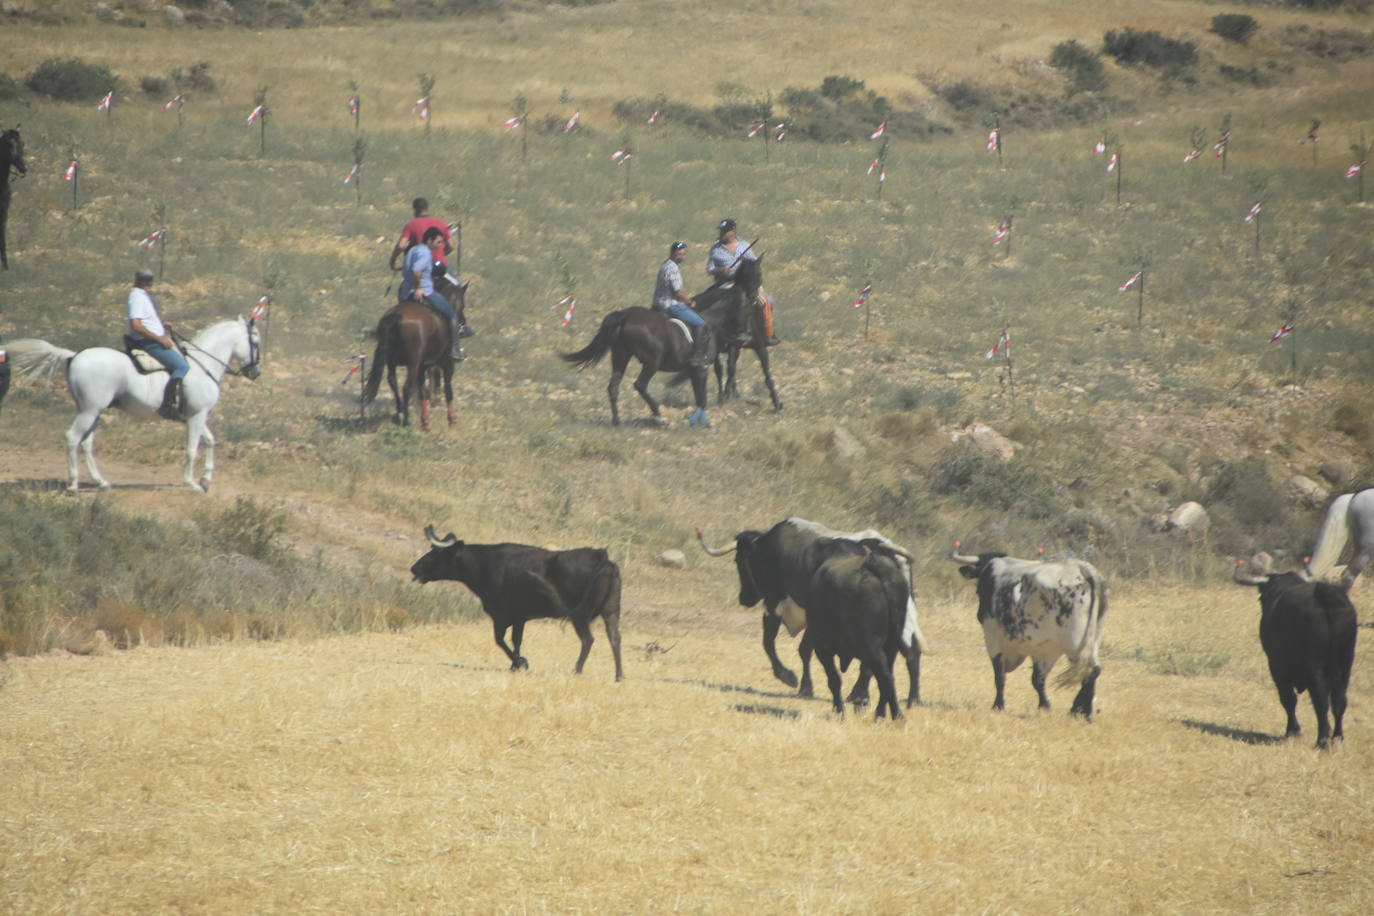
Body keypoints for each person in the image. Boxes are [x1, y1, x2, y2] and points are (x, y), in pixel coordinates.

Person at [124, 268, 189, 419]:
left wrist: (161, 325)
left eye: (150, 281)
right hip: (148, 343)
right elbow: (137, 325)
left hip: (152, 338)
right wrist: (159, 338)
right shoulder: (137, 297)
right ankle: (167, 406)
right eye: (146, 281)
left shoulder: (141, 295)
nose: (149, 284)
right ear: (138, 281)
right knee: (182, 366)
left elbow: (146, 320)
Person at [706, 218, 778, 345]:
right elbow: (710, 269)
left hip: (745, 284)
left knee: (767, 301)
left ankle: (767, 333)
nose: (722, 233)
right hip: (725, 283)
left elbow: (754, 263)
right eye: (721, 231)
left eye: (725, 231)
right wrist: (721, 271)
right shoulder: (715, 249)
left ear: (732, 231)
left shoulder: (744, 246)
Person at [399, 227, 463, 360]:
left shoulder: (412, 251)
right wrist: (418, 288)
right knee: (451, 313)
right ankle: (454, 349)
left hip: (405, 293)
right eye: (438, 242)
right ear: (429, 240)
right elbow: (416, 271)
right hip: (426, 292)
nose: (441, 245)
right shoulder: (425, 253)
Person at [652, 241, 711, 369]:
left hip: (657, 303)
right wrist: (690, 302)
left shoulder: (665, 265)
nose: (681, 256)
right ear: (672, 253)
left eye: (683, 254)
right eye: (679, 254)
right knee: (701, 324)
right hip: (670, 305)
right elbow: (679, 293)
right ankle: (698, 356)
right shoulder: (672, 268)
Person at [389, 196, 453, 274]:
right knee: (455, 284)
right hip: (440, 266)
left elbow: (401, 246)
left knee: (406, 285)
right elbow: (451, 246)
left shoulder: (411, 225)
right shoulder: (441, 223)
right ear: (427, 209)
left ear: (414, 210)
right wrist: (441, 253)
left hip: (421, 267)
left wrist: (393, 259)